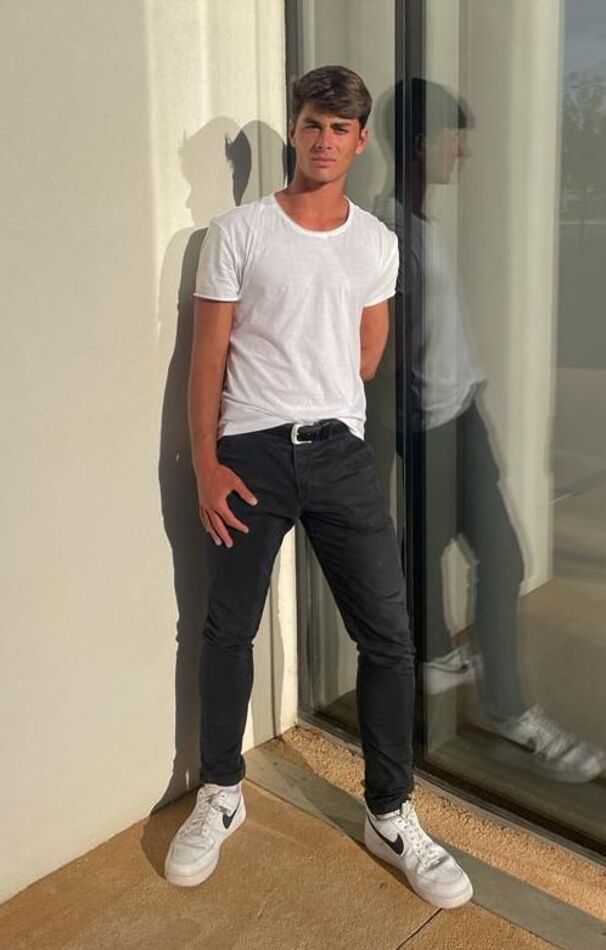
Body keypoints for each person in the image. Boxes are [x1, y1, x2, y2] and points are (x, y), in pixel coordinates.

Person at [164, 65, 473, 909]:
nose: (323, 140)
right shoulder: (237, 232)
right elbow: (206, 359)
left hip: (339, 456)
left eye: (340, 128)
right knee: (226, 628)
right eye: (311, 124)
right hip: (249, 456)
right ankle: (220, 791)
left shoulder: (376, 244)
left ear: (360, 140)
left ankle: (389, 811)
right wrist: (208, 464)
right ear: (295, 129)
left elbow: (367, 356)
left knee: (390, 638)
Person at [389, 78, 605, 783]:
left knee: (481, 555)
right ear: (423, 144)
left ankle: (444, 664)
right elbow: (384, 353)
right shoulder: (391, 233)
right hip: (433, 426)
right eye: (457, 138)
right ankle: (509, 710)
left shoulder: (418, 225)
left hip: (460, 414)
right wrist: (405, 437)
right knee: (486, 557)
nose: (465, 152)